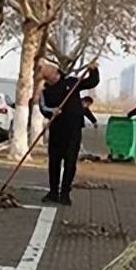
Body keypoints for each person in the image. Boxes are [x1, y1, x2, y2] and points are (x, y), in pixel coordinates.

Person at [38, 61, 100, 205]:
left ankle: (65, 193)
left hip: (73, 130)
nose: (49, 79)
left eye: (50, 76)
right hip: (56, 131)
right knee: (54, 162)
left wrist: (93, 70)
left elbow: (92, 82)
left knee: (70, 162)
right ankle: (53, 192)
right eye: (46, 78)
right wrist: (52, 112)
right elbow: (43, 108)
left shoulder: (72, 83)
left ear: (56, 73)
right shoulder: (45, 91)